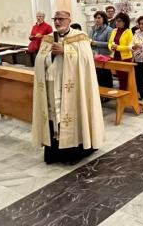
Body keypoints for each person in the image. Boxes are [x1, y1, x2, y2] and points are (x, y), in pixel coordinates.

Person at [32, 10, 104, 164]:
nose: (57, 22)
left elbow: (86, 59)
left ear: (69, 20)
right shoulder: (48, 38)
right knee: (54, 116)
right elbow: (39, 59)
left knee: (74, 114)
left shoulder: (80, 37)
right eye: (55, 19)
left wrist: (66, 51)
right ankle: (55, 153)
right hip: (52, 83)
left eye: (61, 19)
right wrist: (50, 55)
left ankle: (73, 152)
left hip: (74, 86)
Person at [108, 12, 134, 91]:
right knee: (119, 77)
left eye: (119, 21)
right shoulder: (114, 31)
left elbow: (131, 47)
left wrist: (118, 47)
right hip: (115, 56)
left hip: (125, 58)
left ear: (124, 22)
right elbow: (110, 42)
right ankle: (122, 93)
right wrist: (111, 47)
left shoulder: (128, 32)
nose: (117, 23)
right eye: (116, 21)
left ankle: (125, 95)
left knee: (125, 79)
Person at [90, 11, 113, 87]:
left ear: (104, 19)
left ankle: (108, 92)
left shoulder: (109, 30)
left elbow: (109, 44)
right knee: (97, 75)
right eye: (95, 18)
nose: (97, 19)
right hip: (95, 55)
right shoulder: (93, 29)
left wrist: (96, 43)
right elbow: (90, 39)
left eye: (99, 18)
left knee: (105, 75)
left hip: (105, 55)